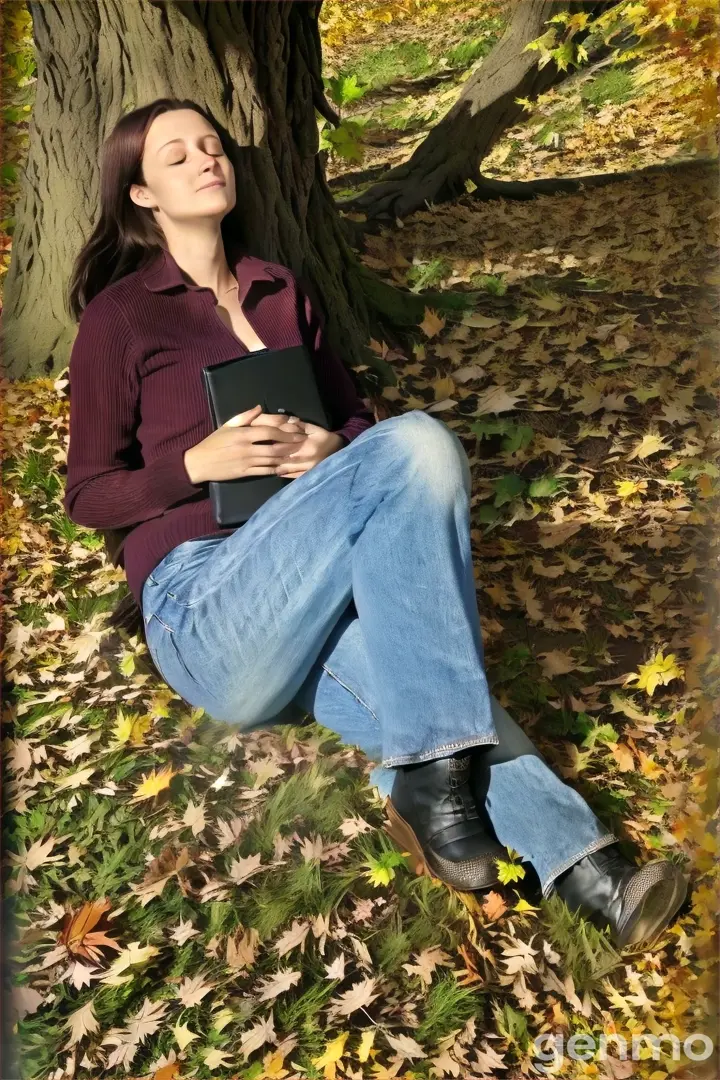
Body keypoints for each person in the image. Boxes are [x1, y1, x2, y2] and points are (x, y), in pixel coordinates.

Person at [63, 97, 687, 950]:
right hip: (204, 606)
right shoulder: (121, 316)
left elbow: (354, 424)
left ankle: (596, 878)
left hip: (311, 592)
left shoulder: (282, 289)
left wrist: (331, 446)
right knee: (420, 445)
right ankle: (434, 776)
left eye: (213, 145)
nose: (207, 160)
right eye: (178, 157)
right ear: (139, 194)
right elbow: (89, 494)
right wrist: (193, 467)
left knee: (423, 682)